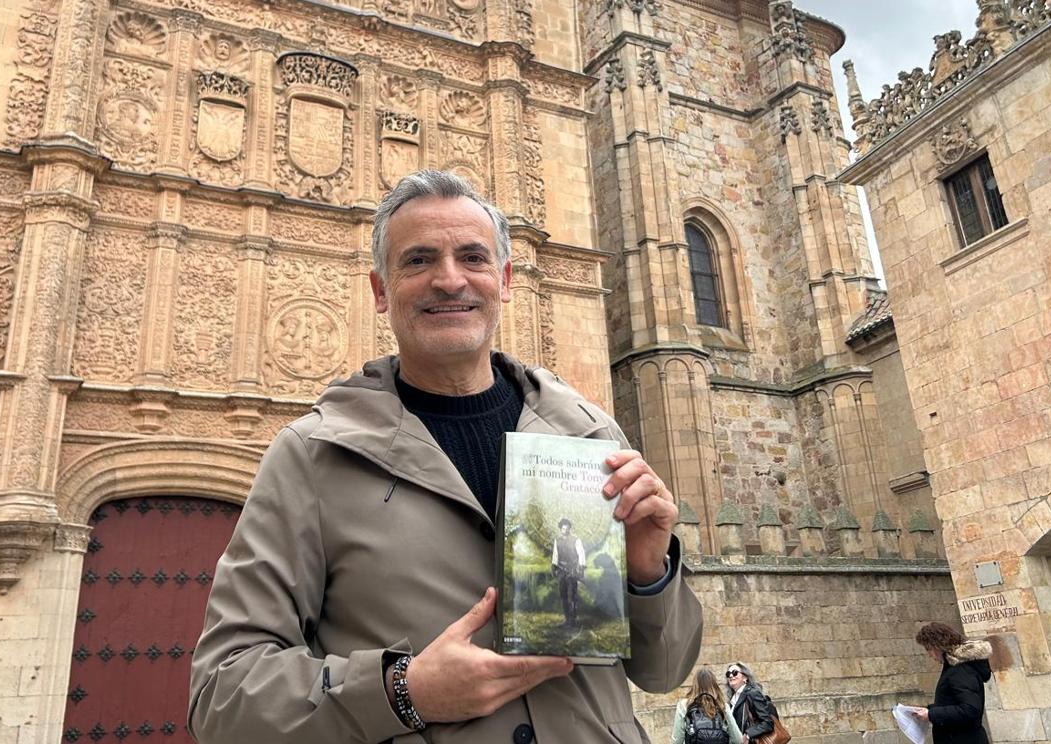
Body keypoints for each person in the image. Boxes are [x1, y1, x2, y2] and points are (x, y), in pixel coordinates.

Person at [188, 169, 703, 743]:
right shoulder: (313, 456)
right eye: (418, 260)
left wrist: (647, 572)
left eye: (473, 258)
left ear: (505, 280)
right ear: (381, 291)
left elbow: (665, 671)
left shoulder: (590, 435)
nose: (449, 279)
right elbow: (221, 697)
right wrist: (402, 692)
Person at [907, 622, 992, 744]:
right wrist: (928, 710)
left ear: (937, 646)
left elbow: (970, 710)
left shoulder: (960, 670)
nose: (929, 655)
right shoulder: (953, 668)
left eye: (928, 649)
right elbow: (953, 701)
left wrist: (932, 714)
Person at [671, 667, 742, 744]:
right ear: (714, 685)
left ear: (695, 684)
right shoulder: (722, 706)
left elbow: (677, 740)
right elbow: (738, 740)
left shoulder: (684, 705)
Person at [725, 663, 776, 744]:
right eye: (728, 674)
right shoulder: (732, 699)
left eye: (735, 672)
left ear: (745, 677)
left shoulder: (752, 693)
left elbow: (768, 723)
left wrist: (748, 734)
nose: (731, 676)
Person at [551, 517, 585, 627]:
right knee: (563, 596)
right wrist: (553, 567)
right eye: (563, 528)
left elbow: (581, 554)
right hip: (561, 571)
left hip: (572, 572)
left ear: (569, 528)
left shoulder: (576, 540)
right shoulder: (557, 540)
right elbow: (555, 555)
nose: (565, 530)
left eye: (567, 528)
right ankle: (567, 619)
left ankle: (572, 621)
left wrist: (580, 569)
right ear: (560, 529)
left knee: (572, 596)